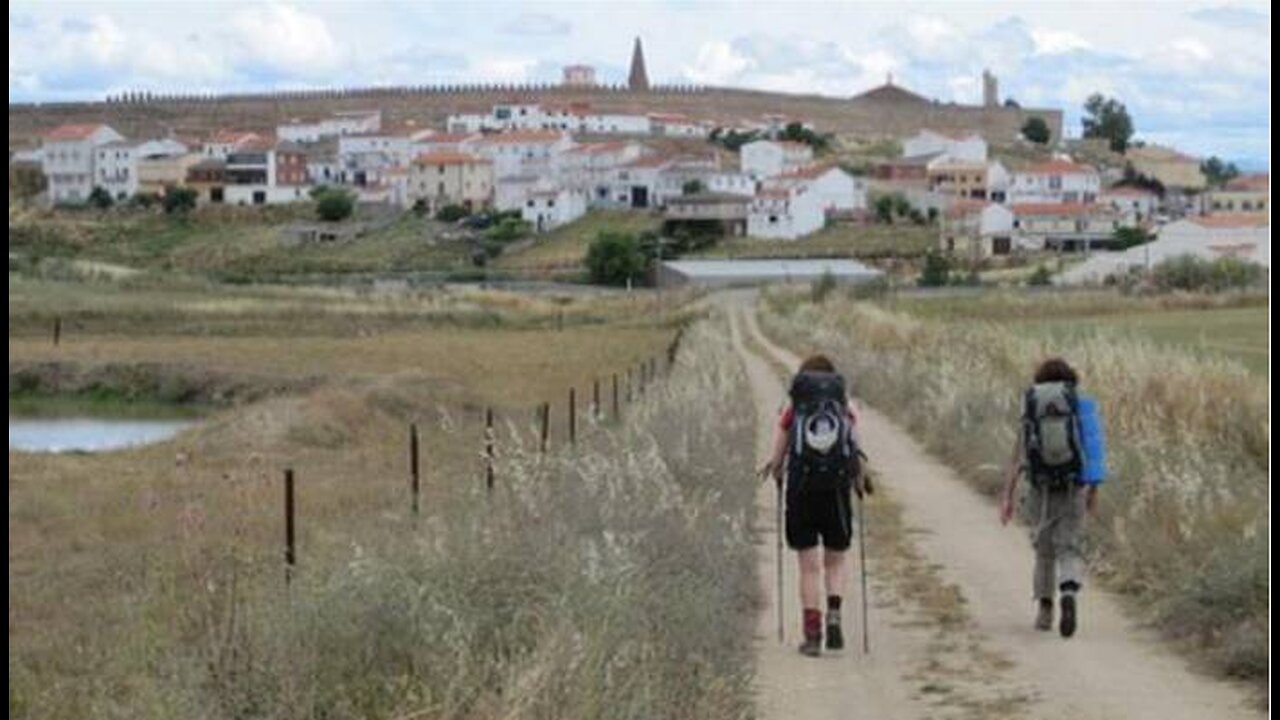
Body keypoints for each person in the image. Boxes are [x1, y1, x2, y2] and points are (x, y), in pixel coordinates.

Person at [760, 354, 867, 657]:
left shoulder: (794, 407)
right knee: (835, 560)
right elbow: (855, 445)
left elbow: (780, 444)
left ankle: (812, 633)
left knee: (808, 567)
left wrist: (778, 470)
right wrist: (858, 478)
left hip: (802, 489)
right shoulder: (845, 406)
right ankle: (834, 616)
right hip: (835, 489)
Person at [999, 357, 1103, 638]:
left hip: (1039, 488)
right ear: (1070, 379)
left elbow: (1017, 458)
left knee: (1043, 550)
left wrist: (1007, 498)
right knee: (1069, 547)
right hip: (1073, 486)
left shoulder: (1032, 406)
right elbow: (1093, 453)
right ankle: (1068, 590)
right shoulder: (1078, 405)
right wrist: (1093, 491)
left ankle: (1045, 610)